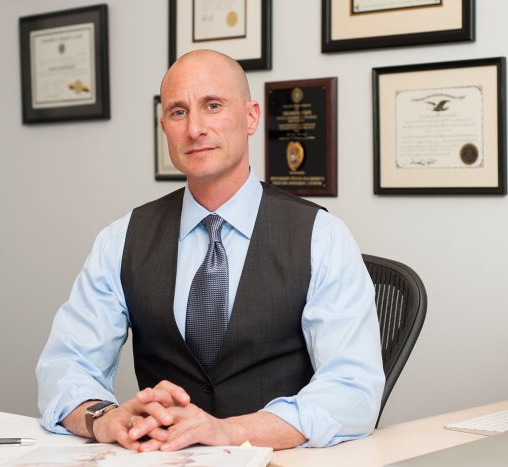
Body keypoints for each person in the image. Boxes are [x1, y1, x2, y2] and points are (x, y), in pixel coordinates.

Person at [36, 49, 384, 452]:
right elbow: (65, 366)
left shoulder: (321, 237)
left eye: (212, 106)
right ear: (163, 125)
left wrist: (230, 432)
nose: (195, 128)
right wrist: (104, 418)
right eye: (178, 112)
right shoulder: (122, 239)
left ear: (251, 117)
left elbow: (353, 390)